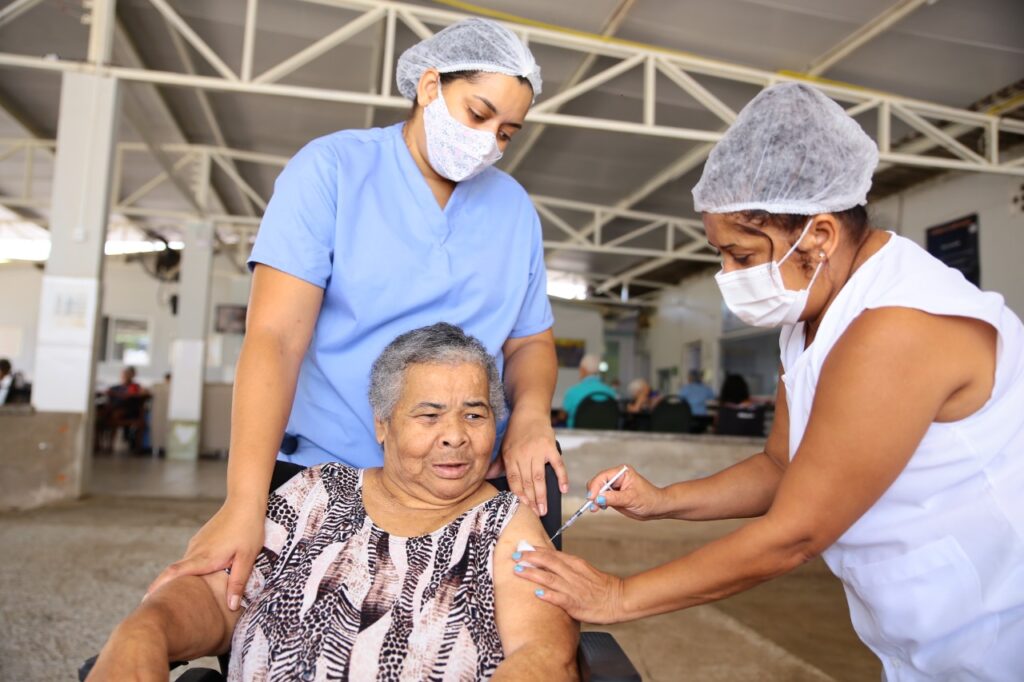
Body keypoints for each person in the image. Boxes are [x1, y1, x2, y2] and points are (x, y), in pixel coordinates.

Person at [512, 83, 1024, 680]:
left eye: (743, 256)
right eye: (721, 255)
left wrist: (620, 597)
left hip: (997, 624)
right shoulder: (809, 315)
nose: (728, 277)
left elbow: (797, 532)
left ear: (821, 238)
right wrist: (664, 502)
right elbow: (782, 469)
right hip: (921, 625)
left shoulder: (899, 325)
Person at [151, 18, 569, 611]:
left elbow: (529, 342)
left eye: (507, 132)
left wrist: (529, 416)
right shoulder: (332, 171)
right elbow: (275, 339)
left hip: (461, 480)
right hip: (329, 468)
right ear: (429, 86)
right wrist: (243, 504)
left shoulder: (514, 211)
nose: (488, 143)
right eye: (477, 115)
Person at [88, 324, 578, 681]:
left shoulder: (504, 522)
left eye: (475, 414)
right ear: (382, 424)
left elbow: (543, 653)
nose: (455, 436)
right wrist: (145, 630)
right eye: (428, 416)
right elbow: (219, 600)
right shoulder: (313, 494)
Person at [561, 354, 618, 428]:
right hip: (605, 436)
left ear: (583, 369)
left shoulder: (572, 391)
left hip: (577, 436)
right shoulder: (611, 392)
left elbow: (562, 416)